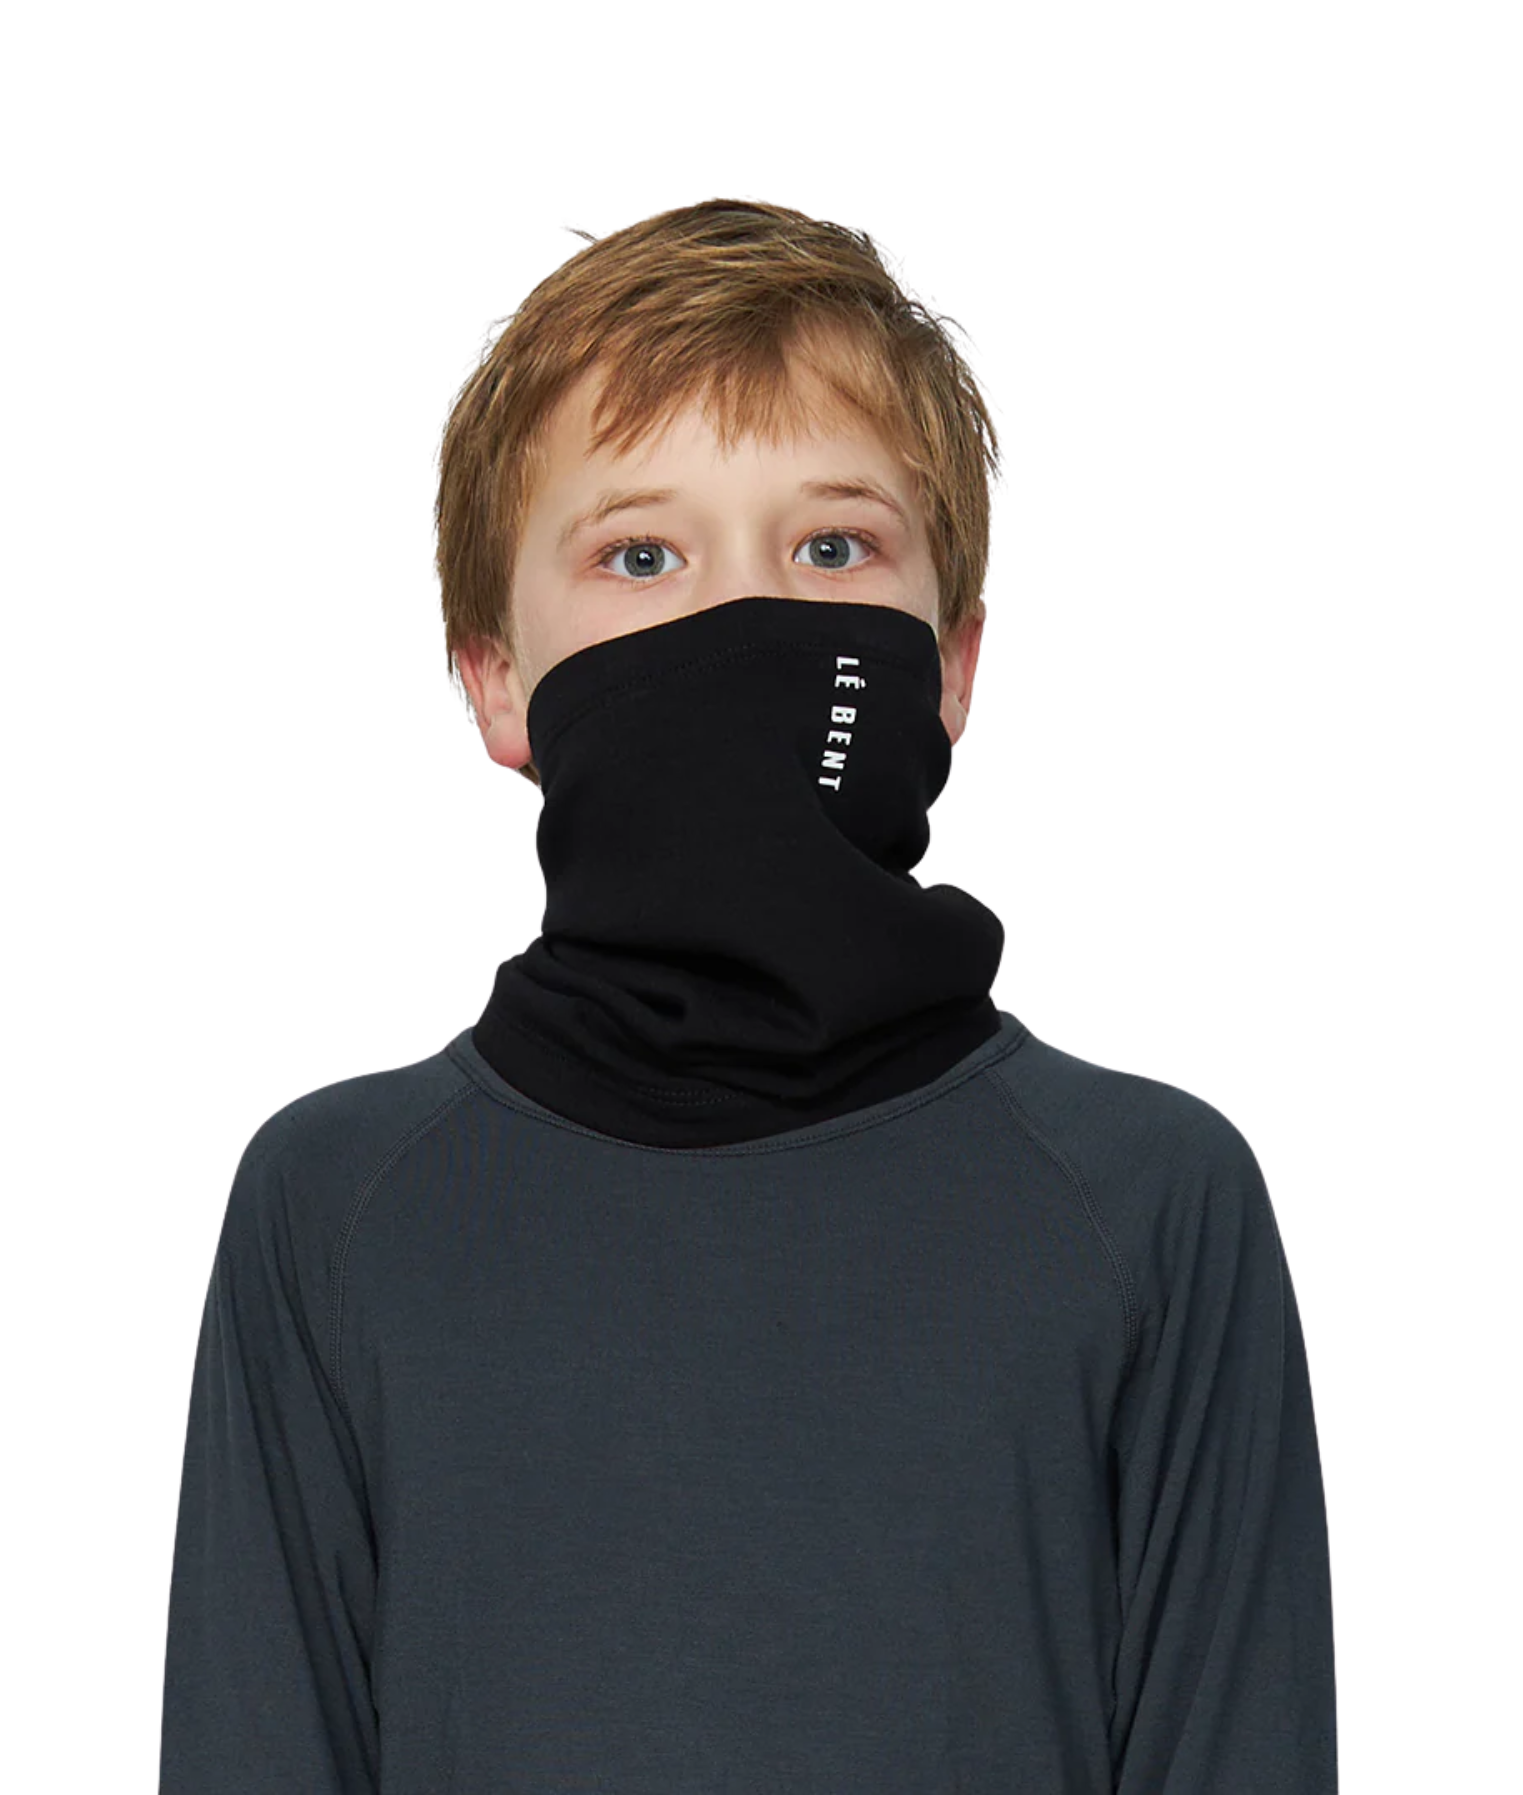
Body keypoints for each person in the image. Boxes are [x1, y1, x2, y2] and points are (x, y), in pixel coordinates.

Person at [158, 198, 1338, 1793]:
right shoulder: (338, 1210)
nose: (740, 620)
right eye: (641, 555)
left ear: (953, 663)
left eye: (832, 548)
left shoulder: (1150, 1205)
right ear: (496, 679)